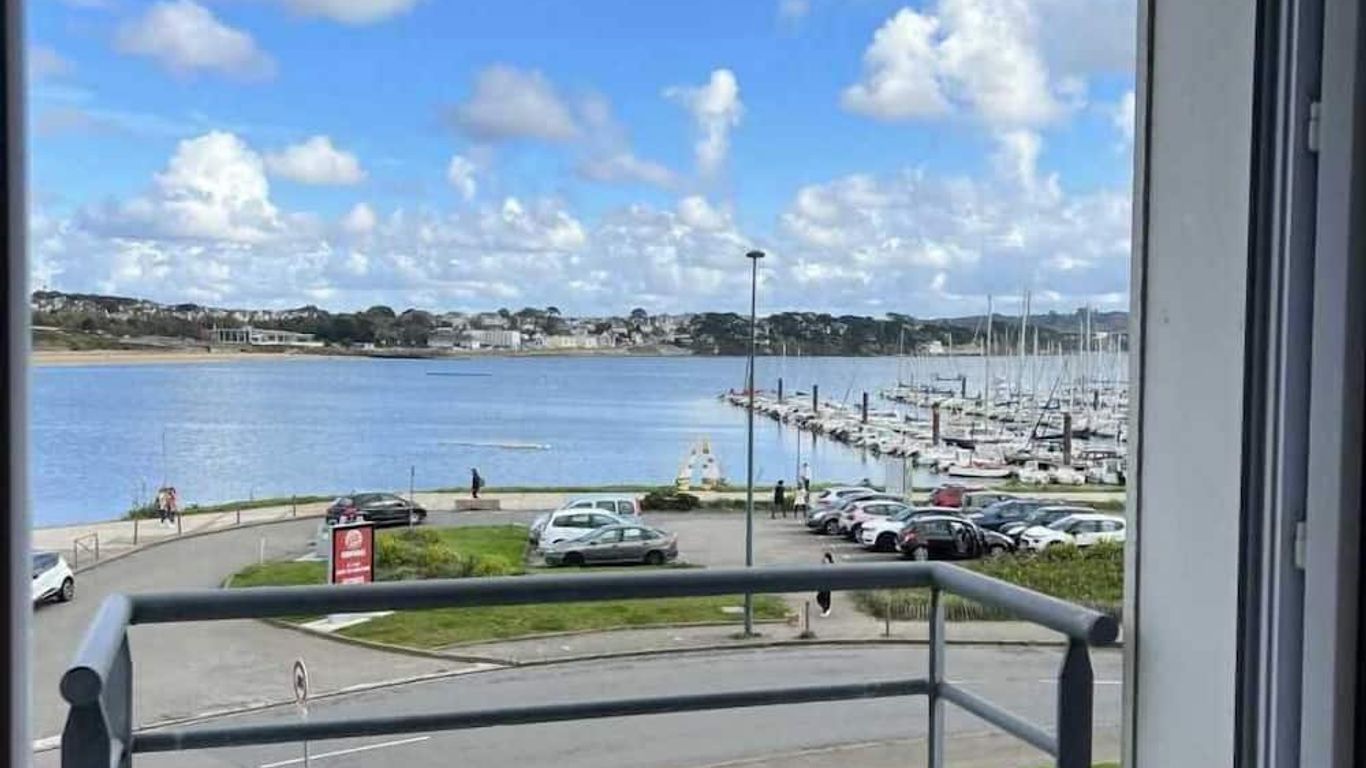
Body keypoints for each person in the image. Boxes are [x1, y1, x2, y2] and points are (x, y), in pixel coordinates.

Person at [816, 551, 834, 617]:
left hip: (827, 584)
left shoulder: (831, 566)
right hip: (822, 583)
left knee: (826, 597)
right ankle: (825, 608)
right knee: (819, 597)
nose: (824, 559)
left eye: (825, 558)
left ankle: (826, 609)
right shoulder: (823, 564)